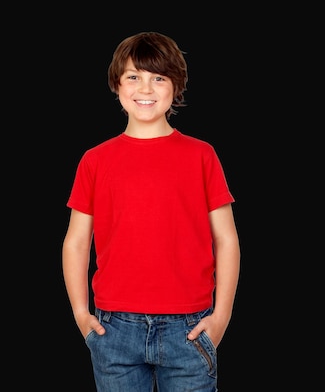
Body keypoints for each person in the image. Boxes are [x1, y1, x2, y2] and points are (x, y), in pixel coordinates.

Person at [62, 31, 240, 392]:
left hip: (189, 327)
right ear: (116, 84)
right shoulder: (95, 160)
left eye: (159, 77)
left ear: (176, 86)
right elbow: (77, 243)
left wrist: (221, 316)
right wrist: (82, 314)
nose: (146, 88)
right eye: (134, 77)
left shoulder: (202, 155)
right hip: (114, 328)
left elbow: (226, 239)